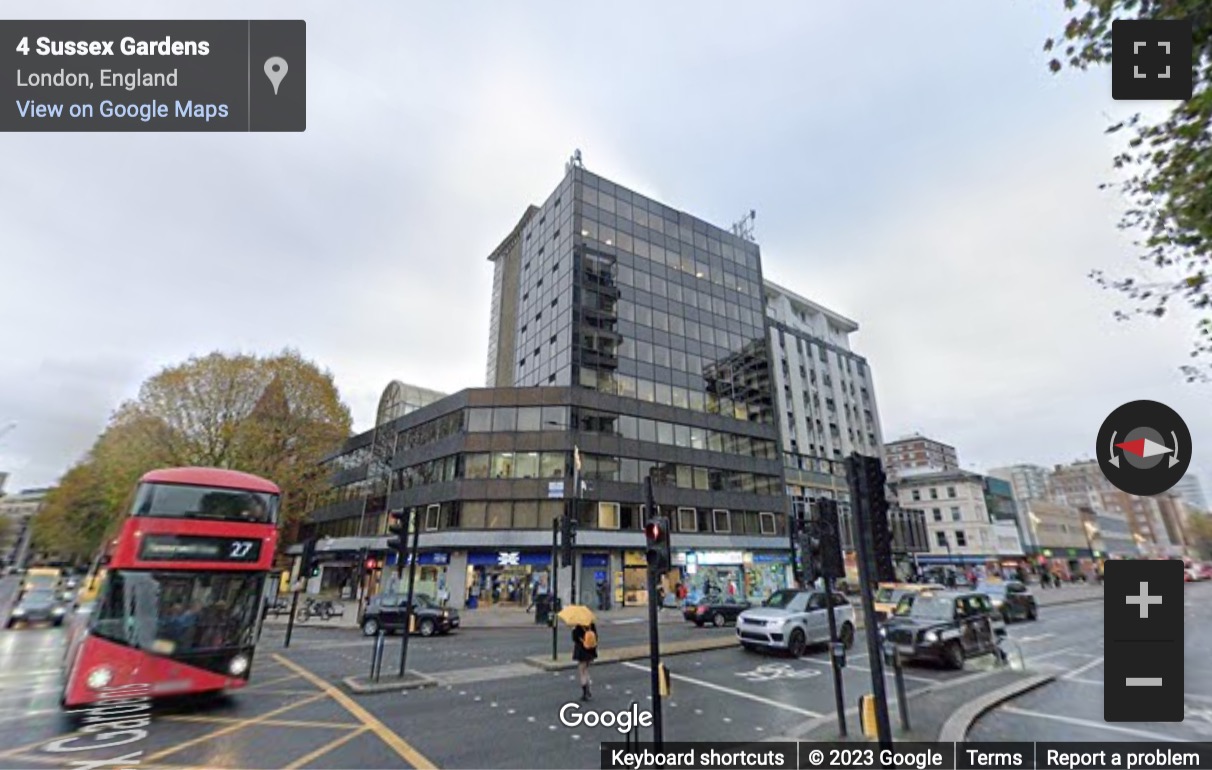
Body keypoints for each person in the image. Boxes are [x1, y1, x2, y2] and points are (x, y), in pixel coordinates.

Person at [572, 621, 598, 701]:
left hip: (581, 651)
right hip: (590, 650)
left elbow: (574, 638)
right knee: (586, 670)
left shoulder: (578, 626)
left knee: (582, 671)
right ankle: (589, 689)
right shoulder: (591, 625)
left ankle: (585, 693)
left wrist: (573, 630)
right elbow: (596, 637)